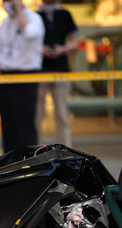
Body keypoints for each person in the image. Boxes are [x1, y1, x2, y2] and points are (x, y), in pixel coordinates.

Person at [0, 0, 45, 153]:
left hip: (26, 77)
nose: (7, 3)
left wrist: (19, 11)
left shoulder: (34, 18)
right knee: (7, 124)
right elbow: (1, 51)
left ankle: (29, 163)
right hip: (6, 76)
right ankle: (9, 163)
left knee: (25, 123)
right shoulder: (4, 22)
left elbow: (29, 33)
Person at [35, 0, 78, 147]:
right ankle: (35, 150)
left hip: (61, 70)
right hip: (39, 70)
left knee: (61, 114)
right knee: (37, 115)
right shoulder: (35, 15)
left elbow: (74, 41)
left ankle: (64, 150)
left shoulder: (64, 14)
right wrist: (40, 49)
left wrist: (63, 49)